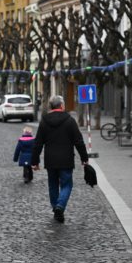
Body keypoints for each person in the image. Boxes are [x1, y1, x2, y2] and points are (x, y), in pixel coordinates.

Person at [31, 95, 89, 224]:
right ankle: (60, 206)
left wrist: (34, 161)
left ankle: (56, 208)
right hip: (66, 159)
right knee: (67, 184)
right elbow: (79, 141)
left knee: (53, 185)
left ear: (51, 106)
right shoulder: (70, 121)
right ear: (62, 106)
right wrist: (84, 158)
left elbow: (38, 143)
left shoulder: (44, 121)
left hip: (50, 160)